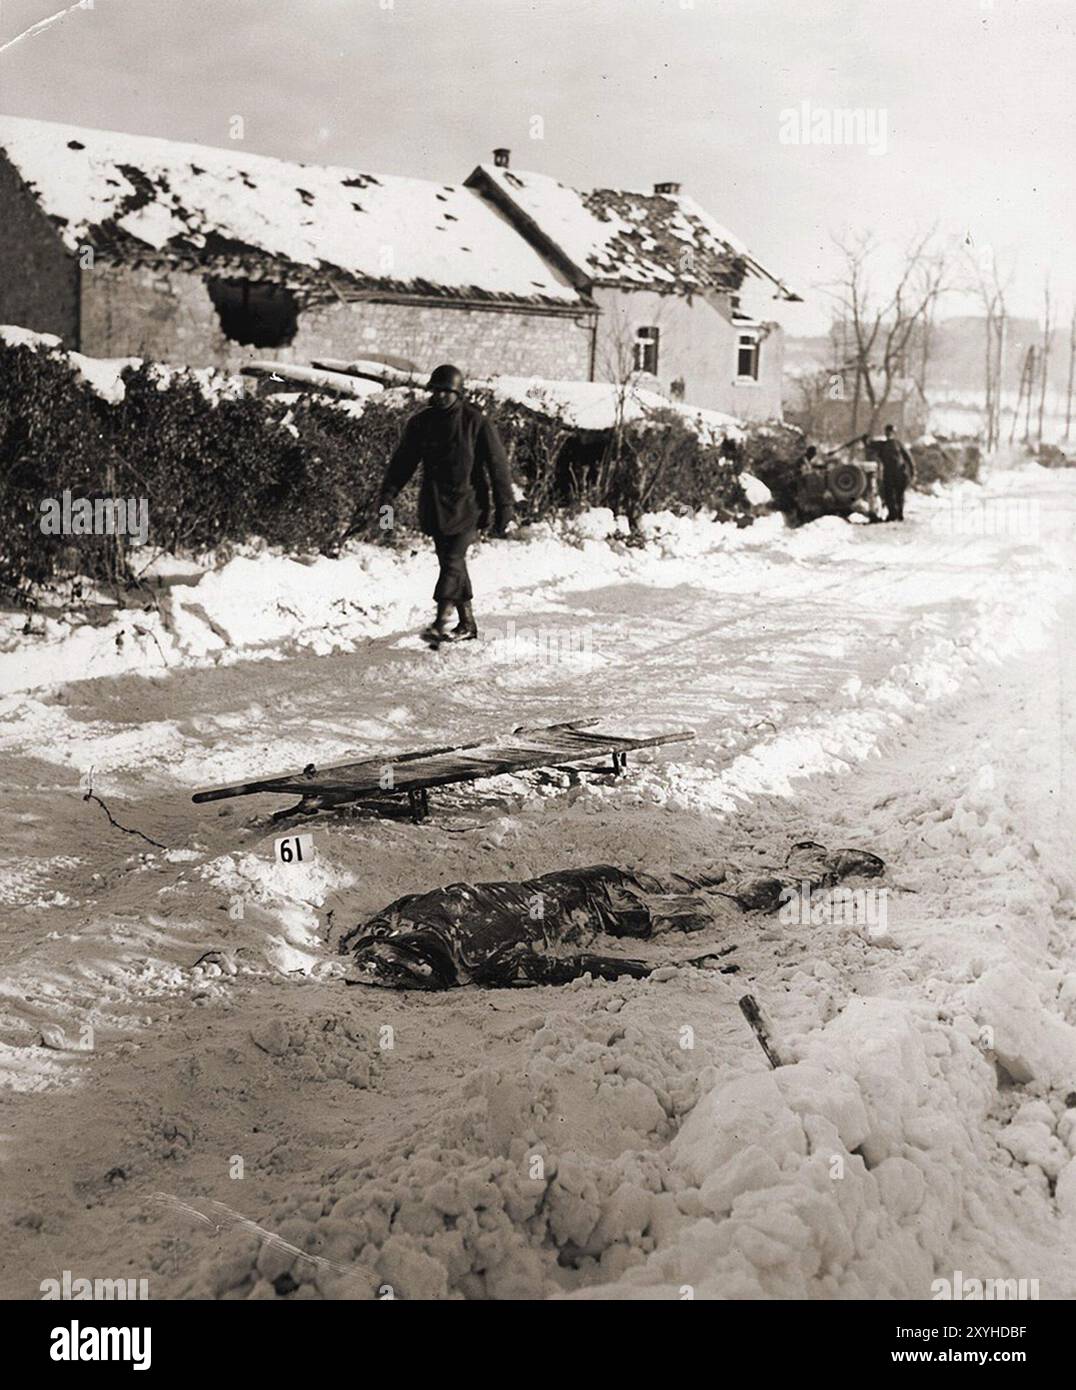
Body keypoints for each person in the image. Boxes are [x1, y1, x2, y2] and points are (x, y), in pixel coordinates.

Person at [377, 364, 514, 643]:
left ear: (458, 393)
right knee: (451, 563)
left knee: (452, 561)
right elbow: (404, 461)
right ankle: (468, 624)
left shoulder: (476, 423)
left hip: (469, 505)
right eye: (436, 390)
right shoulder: (421, 423)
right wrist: (388, 494)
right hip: (436, 505)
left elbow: (498, 466)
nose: (440, 396)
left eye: (446, 392)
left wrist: (505, 508)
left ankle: (440, 620)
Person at [876, 423, 915, 521]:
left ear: (894, 433)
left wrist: (913, 472)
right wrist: (866, 441)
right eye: (887, 432)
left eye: (891, 432)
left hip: (899, 473)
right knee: (889, 494)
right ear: (885, 433)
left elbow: (908, 458)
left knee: (899, 494)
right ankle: (892, 515)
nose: (889, 434)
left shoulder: (898, 444)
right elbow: (871, 446)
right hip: (888, 473)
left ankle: (899, 514)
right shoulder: (882, 445)